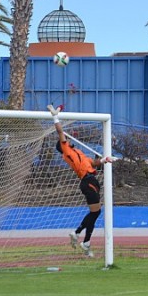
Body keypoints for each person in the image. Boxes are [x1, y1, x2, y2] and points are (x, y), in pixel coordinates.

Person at [50, 105, 113, 258]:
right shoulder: (67, 150)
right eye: (65, 139)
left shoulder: (79, 153)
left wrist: (105, 160)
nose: (68, 138)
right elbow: (60, 132)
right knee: (96, 212)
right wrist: (55, 117)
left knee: (95, 213)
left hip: (91, 180)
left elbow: (93, 163)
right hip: (88, 181)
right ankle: (80, 236)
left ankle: (83, 239)